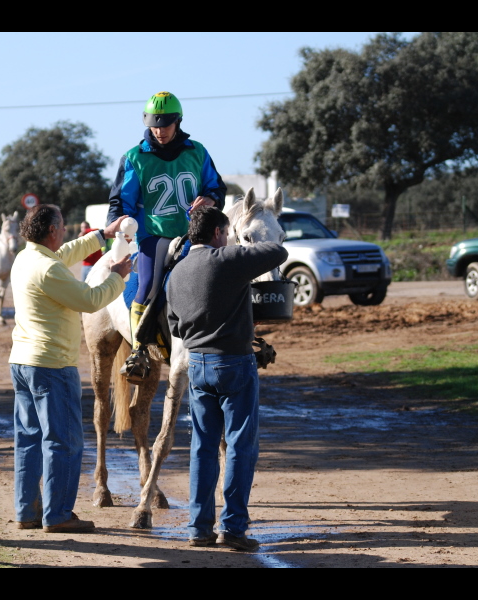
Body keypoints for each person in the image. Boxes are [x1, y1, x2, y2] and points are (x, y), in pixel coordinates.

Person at [166, 206, 287, 550]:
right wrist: (247, 243)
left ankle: (198, 529)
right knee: (239, 446)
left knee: (202, 448)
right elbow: (279, 251)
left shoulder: (177, 271)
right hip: (234, 363)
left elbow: (175, 325)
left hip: (197, 365)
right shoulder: (227, 259)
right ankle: (232, 529)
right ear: (220, 233)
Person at [9, 205, 131, 533]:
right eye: (62, 226)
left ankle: (27, 511)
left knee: (29, 439)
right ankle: (58, 514)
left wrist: (101, 236)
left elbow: (65, 252)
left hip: (22, 362)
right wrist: (118, 276)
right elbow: (91, 300)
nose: (65, 232)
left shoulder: (27, 258)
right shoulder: (49, 271)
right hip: (52, 366)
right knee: (64, 442)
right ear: (51, 230)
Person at [107, 91, 228, 382]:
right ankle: (137, 351)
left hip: (194, 236)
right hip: (154, 236)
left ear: (178, 122)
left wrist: (210, 199)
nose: (159, 131)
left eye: (165, 125)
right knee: (147, 286)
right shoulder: (134, 157)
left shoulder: (197, 151)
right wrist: (119, 221)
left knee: (222, 280)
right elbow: (119, 202)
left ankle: (239, 339)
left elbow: (217, 188)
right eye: (154, 125)